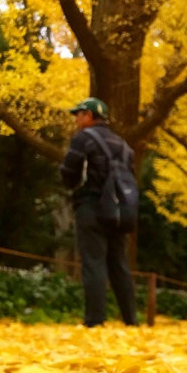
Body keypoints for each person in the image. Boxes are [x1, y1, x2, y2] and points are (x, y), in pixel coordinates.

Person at [59, 98, 137, 328]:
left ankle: (95, 321)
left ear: (89, 116)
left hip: (91, 205)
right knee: (119, 264)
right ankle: (131, 320)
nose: (76, 119)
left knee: (93, 262)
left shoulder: (84, 138)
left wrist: (73, 186)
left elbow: (68, 171)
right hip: (118, 210)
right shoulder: (123, 145)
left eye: (79, 114)